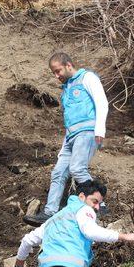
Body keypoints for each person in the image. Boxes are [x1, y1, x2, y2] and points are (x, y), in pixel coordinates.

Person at [23, 53, 109, 227]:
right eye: (53, 73)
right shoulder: (66, 89)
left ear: (68, 65)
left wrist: (100, 128)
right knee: (58, 172)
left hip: (87, 131)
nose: (56, 76)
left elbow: (101, 102)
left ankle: (100, 204)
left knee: (77, 168)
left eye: (58, 71)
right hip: (71, 136)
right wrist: (65, 145)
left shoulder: (87, 78)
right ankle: (49, 212)